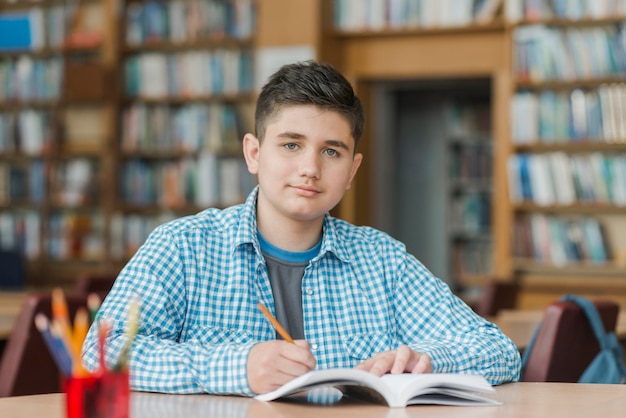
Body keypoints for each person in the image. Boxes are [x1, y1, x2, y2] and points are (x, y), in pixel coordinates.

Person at [82, 60, 521, 395]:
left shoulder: (383, 260)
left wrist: (427, 360)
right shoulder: (182, 247)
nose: (309, 168)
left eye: (331, 152)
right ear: (254, 153)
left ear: (352, 170)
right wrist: (239, 367)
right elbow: (100, 356)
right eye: (291, 145)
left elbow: (499, 351)